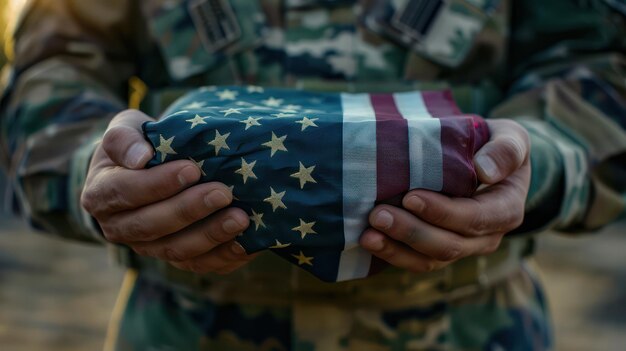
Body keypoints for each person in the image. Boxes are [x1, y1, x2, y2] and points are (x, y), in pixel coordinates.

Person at [1, 0, 624, 349]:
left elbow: (595, 65)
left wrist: (534, 163)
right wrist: (97, 165)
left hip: (469, 328)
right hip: (187, 329)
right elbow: (57, 66)